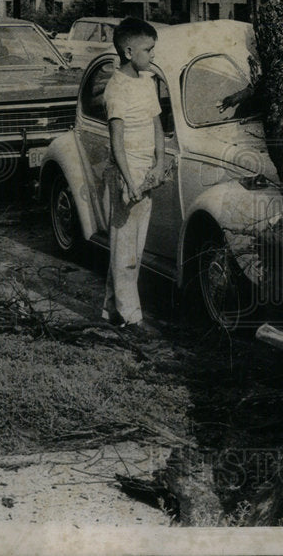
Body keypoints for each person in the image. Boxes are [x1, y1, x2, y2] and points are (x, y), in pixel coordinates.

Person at [102, 17, 166, 338]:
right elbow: (116, 143)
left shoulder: (148, 81)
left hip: (147, 174)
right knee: (124, 247)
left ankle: (113, 309)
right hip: (127, 176)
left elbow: (156, 125)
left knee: (133, 247)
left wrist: (160, 162)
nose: (152, 55)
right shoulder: (116, 89)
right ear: (129, 51)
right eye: (148, 49)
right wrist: (128, 182)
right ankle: (131, 318)